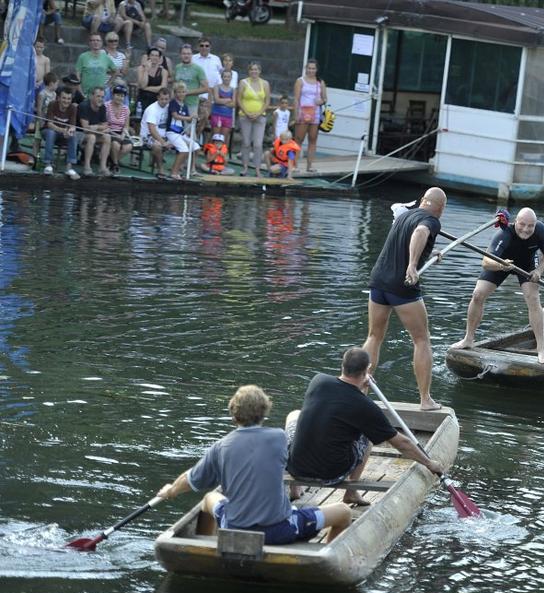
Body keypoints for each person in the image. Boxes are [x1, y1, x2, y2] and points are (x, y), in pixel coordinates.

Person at [157, 385, 352, 545]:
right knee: (344, 512)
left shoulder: (220, 447)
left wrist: (171, 490)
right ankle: (324, 554)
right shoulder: (279, 437)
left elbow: (192, 479)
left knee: (209, 498)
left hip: (232, 529)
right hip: (280, 531)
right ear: (264, 411)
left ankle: (210, 548)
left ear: (234, 415)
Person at [285, 348, 445, 506]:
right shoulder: (365, 406)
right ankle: (351, 493)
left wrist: (362, 386)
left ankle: (295, 488)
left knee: (293, 415)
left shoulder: (318, 381)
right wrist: (429, 463)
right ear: (367, 369)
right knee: (367, 436)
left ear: (343, 365)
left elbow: (346, 397)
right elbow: (401, 443)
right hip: (331, 474)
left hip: (297, 467)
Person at [363, 188, 446, 411]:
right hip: (401, 286)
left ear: (421, 201)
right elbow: (419, 233)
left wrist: (430, 253)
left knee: (374, 335)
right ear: (441, 209)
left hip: (378, 280)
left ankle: (360, 390)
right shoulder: (431, 220)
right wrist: (412, 265)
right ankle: (426, 400)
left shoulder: (404, 216)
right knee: (421, 339)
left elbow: (407, 240)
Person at [450, 207, 544, 364]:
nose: (526, 230)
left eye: (530, 226)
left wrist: (539, 271)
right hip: (500, 263)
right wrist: (501, 266)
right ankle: (468, 339)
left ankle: (541, 350)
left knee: (533, 299)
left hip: (527, 264)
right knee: (478, 294)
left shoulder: (540, 230)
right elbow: (486, 262)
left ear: (535, 224)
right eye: (522, 224)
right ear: (515, 222)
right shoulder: (504, 234)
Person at [292, 59, 327, 173]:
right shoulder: (300, 81)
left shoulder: (320, 82)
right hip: (303, 113)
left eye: (313, 68)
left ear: (316, 70)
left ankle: (310, 165)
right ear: (306, 69)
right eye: (309, 68)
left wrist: (320, 101)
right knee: (298, 139)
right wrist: (296, 114)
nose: (311, 70)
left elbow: (325, 98)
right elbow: (296, 99)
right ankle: (294, 165)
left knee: (313, 139)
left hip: (315, 114)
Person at [237, 61, 269, 177]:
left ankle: (257, 169)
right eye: (252, 69)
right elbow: (239, 99)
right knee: (246, 142)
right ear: (249, 71)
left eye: (256, 69)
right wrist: (246, 112)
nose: (254, 71)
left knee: (258, 144)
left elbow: (267, 101)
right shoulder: (243, 82)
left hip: (260, 116)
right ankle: (245, 168)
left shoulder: (265, 83)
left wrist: (259, 113)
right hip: (245, 115)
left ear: (259, 71)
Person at [41, 88, 80, 180]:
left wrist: (69, 132)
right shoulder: (52, 104)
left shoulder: (73, 108)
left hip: (63, 134)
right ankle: (48, 164)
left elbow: (72, 126)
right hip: (48, 131)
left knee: (73, 135)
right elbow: (50, 124)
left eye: (68, 99)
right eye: (64, 98)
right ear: (59, 98)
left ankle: (69, 167)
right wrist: (63, 130)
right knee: (51, 133)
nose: (66, 101)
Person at [166, 80, 200, 179]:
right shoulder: (173, 103)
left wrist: (195, 118)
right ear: (175, 93)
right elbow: (175, 116)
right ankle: (174, 172)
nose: (181, 94)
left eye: (183, 92)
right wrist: (188, 118)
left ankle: (191, 169)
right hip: (171, 132)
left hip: (180, 133)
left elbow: (189, 120)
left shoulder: (184, 105)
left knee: (196, 147)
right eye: (179, 92)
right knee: (184, 150)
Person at [191, 38, 222, 142]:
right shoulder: (193, 58)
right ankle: (191, 142)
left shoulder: (216, 59)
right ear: (198, 47)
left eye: (206, 45)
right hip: (194, 95)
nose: (204, 47)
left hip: (209, 96)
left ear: (210, 47)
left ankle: (195, 141)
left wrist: (212, 97)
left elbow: (218, 78)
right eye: (202, 45)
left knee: (204, 120)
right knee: (192, 120)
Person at [77, 86, 109, 176]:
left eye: (102, 97)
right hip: (78, 134)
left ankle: (103, 167)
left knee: (107, 137)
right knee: (91, 137)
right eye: (98, 96)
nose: (101, 99)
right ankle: (87, 166)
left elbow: (106, 125)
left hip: (94, 133)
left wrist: (95, 127)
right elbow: (85, 128)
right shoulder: (84, 106)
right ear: (91, 96)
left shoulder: (103, 107)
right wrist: (99, 127)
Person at [75, 33, 117, 98]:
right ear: (89, 43)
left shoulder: (106, 57)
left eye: (98, 40)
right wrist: (81, 93)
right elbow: (77, 76)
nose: (95, 42)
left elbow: (115, 71)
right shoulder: (82, 57)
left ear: (101, 43)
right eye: (93, 40)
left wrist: (107, 85)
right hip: (85, 94)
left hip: (100, 95)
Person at [141, 86, 171, 177]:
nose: (164, 101)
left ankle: (176, 170)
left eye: (166, 99)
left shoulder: (169, 106)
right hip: (148, 136)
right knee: (157, 145)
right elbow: (152, 130)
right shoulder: (152, 109)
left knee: (182, 141)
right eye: (162, 99)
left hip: (163, 135)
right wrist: (163, 142)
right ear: (157, 97)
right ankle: (160, 169)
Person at [104, 83, 131, 174]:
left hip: (121, 132)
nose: (119, 98)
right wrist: (116, 135)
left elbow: (126, 126)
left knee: (128, 146)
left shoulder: (126, 109)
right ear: (113, 95)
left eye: (122, 96)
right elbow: (105, 124)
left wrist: (123, 134)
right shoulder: (106, 106)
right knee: (116, 144)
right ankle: (115, 164)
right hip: (109, 131)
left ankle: (111, 161)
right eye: (117, 95)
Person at [173, 44, 209, 112]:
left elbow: (206, 88)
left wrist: (187, 92)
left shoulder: (198, 69)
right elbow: (175, 84)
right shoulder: (177, 67)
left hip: (191, 104)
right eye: (184, 53)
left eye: (188, 54)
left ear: (192, 55)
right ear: (180, 55)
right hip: (177, 103)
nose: (186, 56)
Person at [135, 46, 167, 114]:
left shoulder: (163, 71)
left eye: (156, 56)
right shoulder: (141, 69)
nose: (154, 57)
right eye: (152, 55)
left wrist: (146, 88)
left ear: (159, 58)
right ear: (148, 56)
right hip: (143, 98)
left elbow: (163, 88)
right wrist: (146, 70)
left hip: (156, 99)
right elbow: (143, 85)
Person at [209, 68, 235, 145]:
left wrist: (222, 101)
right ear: (222, 77)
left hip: (227, 116)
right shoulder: (217, 87)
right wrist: (228, 100)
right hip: (217, 115)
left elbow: (233, 104)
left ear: (231, 78)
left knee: (224, 138)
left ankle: (221, 156)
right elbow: (216, 100)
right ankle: (212, 154)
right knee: (216, 137)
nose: (226, 78)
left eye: (228, 77)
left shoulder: (233, 89)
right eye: (225, 76)